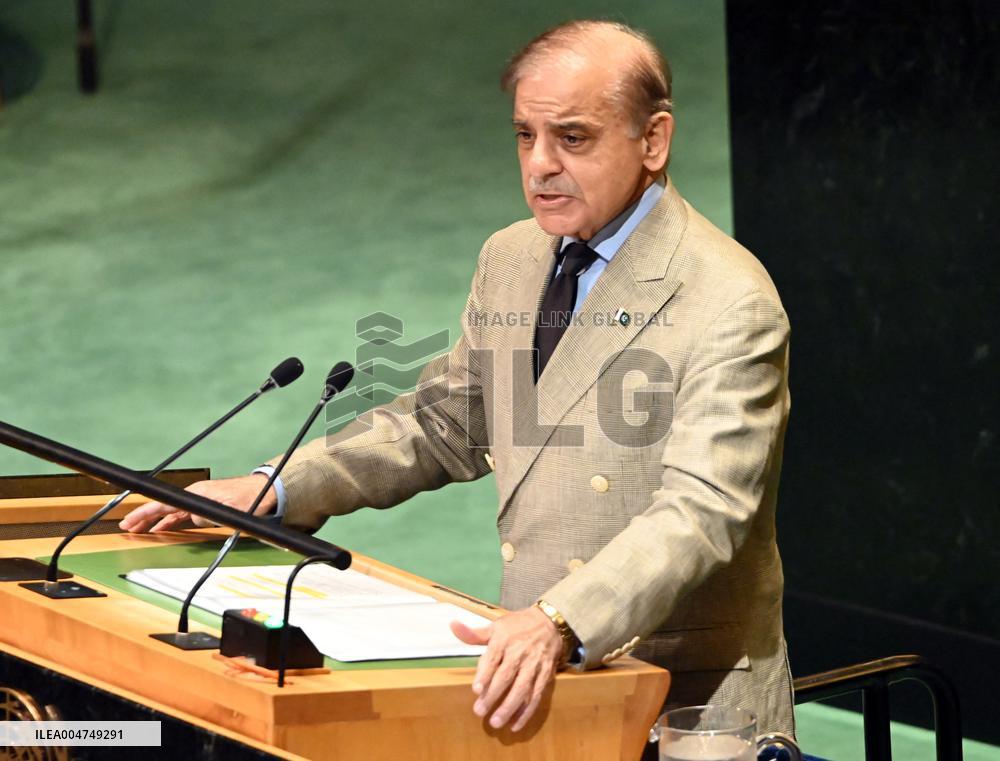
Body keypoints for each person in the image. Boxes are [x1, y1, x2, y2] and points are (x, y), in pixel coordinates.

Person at [121, 20, 795, 739]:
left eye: (573, 138)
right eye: (524, 136)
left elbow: (701, 511)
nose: (539, 165)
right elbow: (444, 423)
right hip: (534, 681)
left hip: (680, 705)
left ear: (653, 140)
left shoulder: (729, 300)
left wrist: (563, 619)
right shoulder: (512, 257)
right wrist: (281, 486)